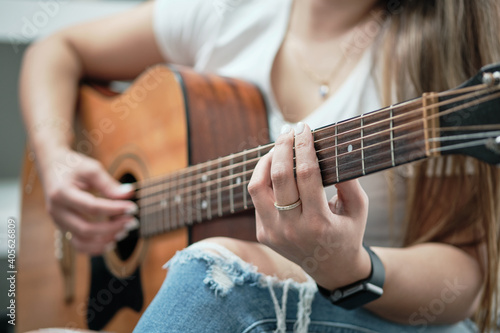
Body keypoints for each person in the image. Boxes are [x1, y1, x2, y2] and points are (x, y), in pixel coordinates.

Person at [19, 0, 500, 332]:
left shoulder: (437, 44)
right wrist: (56, 158)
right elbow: (55, 51)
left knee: (215, 271)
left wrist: (349, 268)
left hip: (380, 315)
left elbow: (465, 276)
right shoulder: (229, 11)